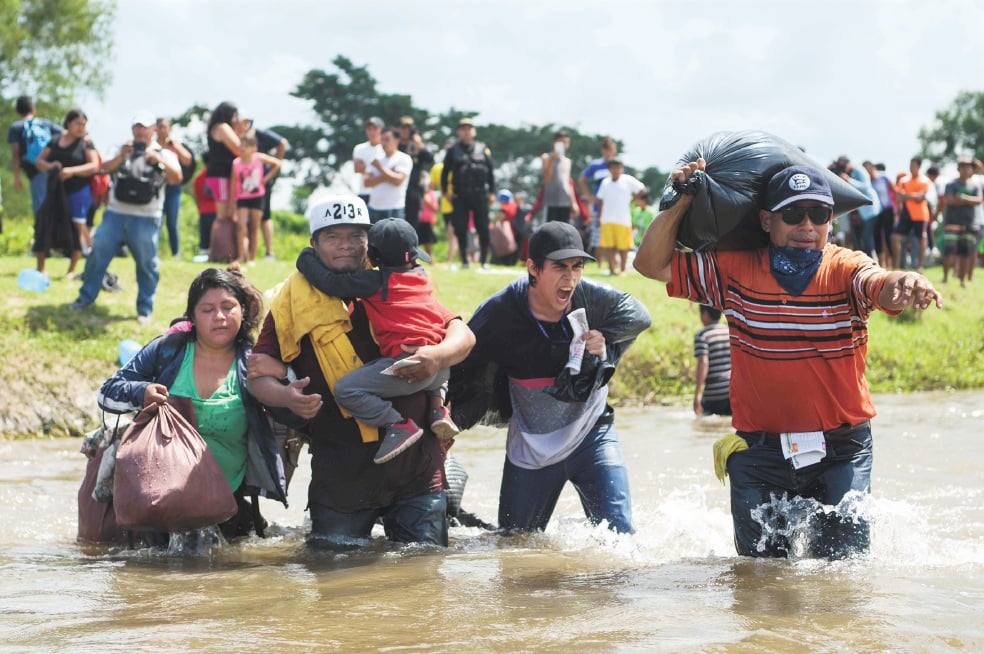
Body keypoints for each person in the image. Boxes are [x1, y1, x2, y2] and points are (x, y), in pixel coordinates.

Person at [634, 160, 943, 559]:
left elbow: (877, 282)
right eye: (793, 214)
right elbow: (650, 264)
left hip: (840, 450)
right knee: (761, 582)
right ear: (766, 220)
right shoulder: (735, 269)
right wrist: (682, 198)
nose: (807, 226)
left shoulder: (844, 267)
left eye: (819, 215)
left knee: (840, 576)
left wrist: (903, 282)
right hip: (760, 455)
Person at [245, 195, 475, 547]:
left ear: (370, 242)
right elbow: (258, 376)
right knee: (334, 581)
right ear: (314, 244)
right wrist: (286, 397)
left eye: (355, 236)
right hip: (341, 475)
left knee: (424, 582)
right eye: (333, 237)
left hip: (416, 472)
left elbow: (462, 333)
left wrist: (437, 355)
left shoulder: (393, 284)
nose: (346, 246)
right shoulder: (290, 303)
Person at [449, 221, 651, 534]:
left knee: (622, 542)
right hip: (531, 448)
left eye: (577, 266)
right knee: (514, 546)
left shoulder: (593, 297)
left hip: (592, 435)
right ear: (533, 268)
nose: (570, 278)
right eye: (559, 267)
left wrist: (604, 341)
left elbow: (640, 316)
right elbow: (462, 368)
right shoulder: (500, 311)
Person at [97, 266, 288, 542]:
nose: (219, 317)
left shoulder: (254, 363)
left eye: (228, 307)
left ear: (243, 311)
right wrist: (143, 392)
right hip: (158, 502)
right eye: (207, 310)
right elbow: (107, 394)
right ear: (193, 317)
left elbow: (291, 414)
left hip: (224, 504)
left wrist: (283, 375)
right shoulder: (168, 351)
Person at [295, 216, 461, 464]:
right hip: (440, 368)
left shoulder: (377, 281)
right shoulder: (420, 274)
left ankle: (397, 424)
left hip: (409, 368)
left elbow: (331, 283)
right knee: (430, 341)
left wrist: (305, 257)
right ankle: (439, 408)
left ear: (371, 257)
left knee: (346, 390)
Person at [70, 111, 182, 323]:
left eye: (145, 127)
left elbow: (177, 177)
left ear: (153, 130)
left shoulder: (164, 153)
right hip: (115, 214)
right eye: (137, 127)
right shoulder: (121, 149)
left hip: (147, 217)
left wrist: (157, 159)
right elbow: (103, 168)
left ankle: (145, 309)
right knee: (97, 255)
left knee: (147, 265)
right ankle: (85, 299)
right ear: (133, 130)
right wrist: (122, 156)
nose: (140, 131)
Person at [33, 108, 98, 278]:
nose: (80, 127)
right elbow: (39, 161)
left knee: (76, 229)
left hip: (78, 191)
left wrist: (72, 171)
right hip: (55, 192)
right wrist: (51, 166)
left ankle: (72, 269)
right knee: (44, 224)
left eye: (83, 124)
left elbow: (94, 165)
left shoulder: (86, 143)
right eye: (77, 123)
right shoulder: (54, 141)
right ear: (68, 123)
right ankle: (41, 267)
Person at [441, 117, 495, 269]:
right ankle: (464, 260)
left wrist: (492, 192)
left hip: (480, 194)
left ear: (474, 131)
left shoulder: (483, 149)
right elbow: (445, 173)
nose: (466, 131)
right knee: (460, 228)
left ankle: (484, 260)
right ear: (458, 132)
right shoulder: (452, 151)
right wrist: (446, 191)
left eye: (469, 128)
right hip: (460, 195)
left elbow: (491, 172)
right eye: (463, 128)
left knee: (483, 228)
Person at [7, 95, 62, 218]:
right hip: (53, 167)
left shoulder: (16, 127)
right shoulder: (45, 123)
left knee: (40, 204)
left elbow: (16, 154)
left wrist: (17, 177)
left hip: (34, 170)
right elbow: (65, 134)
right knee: (55, 202)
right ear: (33, 109)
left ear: (17, 112)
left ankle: (43, 234)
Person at [230, 131, 281, 263]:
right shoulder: (236, 163)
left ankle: (252, 258)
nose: (242, 148)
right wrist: (233, 203)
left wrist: (265, 179)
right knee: (241, 226)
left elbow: (277, 163)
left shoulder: (258, 158)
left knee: (254, 227)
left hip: (257, 197)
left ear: (254, 148)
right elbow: (234, 183)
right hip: (242, 197)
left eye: (245, 146)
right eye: (240, 145)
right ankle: (241, 256)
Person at [595, 157, 646, 276]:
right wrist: (599, 217)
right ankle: (612, 269)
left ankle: (623, 269)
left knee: (624, 247)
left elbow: (642, 189)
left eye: (618, 167)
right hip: (607, 219)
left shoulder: (627, 180)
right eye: (613, 167)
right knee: (609, 246)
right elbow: (600, 201)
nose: (616, 170)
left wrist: (633, 199)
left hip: (623, 219)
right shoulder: (605, 182)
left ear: (622, 169)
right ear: (609, 169)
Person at [155, 117, 194, 257]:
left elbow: (188, 160)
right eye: (159, 127)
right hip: (157, 188)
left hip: (173, 188)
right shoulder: (152, 145)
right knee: (156, 221)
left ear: (170, 128)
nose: (162, 130)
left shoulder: (175, 145)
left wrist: (175, 146)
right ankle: (154, 252)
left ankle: (175, 253)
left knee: (172, 222)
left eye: (165, 127)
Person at [941, 156, 983, 287]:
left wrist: (962, 198)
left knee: (966, 253)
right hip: (952, 223)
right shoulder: (951, 184)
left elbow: (979, 200)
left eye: (969, 167)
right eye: (963, 167)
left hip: (969, 224)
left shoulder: (975, 185)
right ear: (958, 169)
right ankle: (945, 277)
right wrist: (969, 201)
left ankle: (962, 280)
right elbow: (950, 200)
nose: (966, 169)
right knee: (949, 251)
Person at [578, 137, 619, 263]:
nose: (609, 152)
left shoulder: (618, 165)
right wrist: (589, 197)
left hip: (615, 206)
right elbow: (582, 180)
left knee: (615, 235)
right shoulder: (595, 165)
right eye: (607, 149)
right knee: (599, 236)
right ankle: (598, 262)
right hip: (599, 206)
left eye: (611, 149)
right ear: (602, 150)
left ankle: (612, 262)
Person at [204, 102, 241, 235]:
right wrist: (241, 131)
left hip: (222, 175)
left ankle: (223, 250)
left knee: (228, 214)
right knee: (223, 216)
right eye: (235, 116)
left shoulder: (215, 127)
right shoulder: (222, 127)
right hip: (221, 175)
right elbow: (239, 149)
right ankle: (218, 250)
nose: (237, 119)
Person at [253, 123, 288, 261]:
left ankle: (269, 252)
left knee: (264, 216)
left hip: (262, 182)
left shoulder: (259, 133)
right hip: (243, 183)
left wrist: (271, 168)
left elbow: (282, 143)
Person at [892, 157, 932, 272]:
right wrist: (911, 196)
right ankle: (896, 266)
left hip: (921, 214)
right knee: (895, 237)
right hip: (907, 213)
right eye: (910, 165)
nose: (911, 168)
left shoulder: (924, 180)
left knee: (922, 238)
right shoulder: (904, 181)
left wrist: (906, 196)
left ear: (919, 167)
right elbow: (898, 196)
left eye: (913, 165)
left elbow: (920, 198)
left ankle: (920, 266)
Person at [365, 127, 413, 223]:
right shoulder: (376, 158)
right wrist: (388, 175)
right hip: (374, 207)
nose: (383, 143)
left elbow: (398, 181)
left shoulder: (404, 158)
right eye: (382, 139)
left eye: (387, 139)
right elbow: (367, 182)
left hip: (394, 208)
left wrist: (380, 169)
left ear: (397, 141)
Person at [693, 305, 731, 417]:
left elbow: (703, 363)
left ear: (705, 314)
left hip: (714, 394)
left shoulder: (702, 335)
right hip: (732, 391)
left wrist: (697, 394)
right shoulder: (729, 331)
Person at [398, 116, 434, 228]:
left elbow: (430, 158)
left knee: (412, 223)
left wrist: (419, 144)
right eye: (403, 128)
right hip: (398, 188)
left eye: (408, 129)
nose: (405, 131)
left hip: (414, 189)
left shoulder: (419, 145)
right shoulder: (395, 145)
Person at [540, 130, 579, 225]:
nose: (564, 145)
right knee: (550, 231)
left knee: (564, 230)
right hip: (551, 202)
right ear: (554, 142)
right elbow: (547, 179)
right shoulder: (546, 157)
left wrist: (574, 202)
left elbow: (568, 183)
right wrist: (551, 161)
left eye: (566, 142)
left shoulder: (567, 161)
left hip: (565, 202)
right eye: (561, 142)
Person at [863, 161, 897, 269]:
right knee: (877, 238)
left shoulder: (884, 177)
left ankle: (893, 263)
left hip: (888, 210)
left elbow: (894, 191)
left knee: (889, 237)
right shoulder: (868, 183)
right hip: (877, 212)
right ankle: (882, 264)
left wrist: (898, 207)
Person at [352, 116, 384, 206]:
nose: (372, 132)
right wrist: (379, 168)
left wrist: (367, 165)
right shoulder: (359, 148)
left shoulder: (386, 148)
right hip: (364, 192)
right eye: (369, 129)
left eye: (375, 129)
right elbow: (357, 168)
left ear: (381, 130)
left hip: (382, 194)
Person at [192, 157, 216, 262]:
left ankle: (204, 255)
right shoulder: (217, 176)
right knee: (215, 237)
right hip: (216, 211)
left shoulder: (199, 177)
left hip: (203, 210)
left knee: (204, 236)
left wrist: (200, 207)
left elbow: (197, 196)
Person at [417, 174, 439, 258]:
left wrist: (427, 201)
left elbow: (436, 208)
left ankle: (431, 260)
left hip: (427, 222)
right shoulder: (418, 193)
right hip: (418, 221)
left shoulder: (431, 194)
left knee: (428, 244)